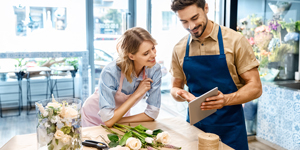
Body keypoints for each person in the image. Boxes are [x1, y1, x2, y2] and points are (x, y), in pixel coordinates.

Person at [169, 0, 262, 149]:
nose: (191, 27)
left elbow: (256, 87)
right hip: (195, 129)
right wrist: (180, 93)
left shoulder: (235, 41)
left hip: (231, 130)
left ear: (206, 8)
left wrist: (225, 99)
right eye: (184, 22)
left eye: (194, 18)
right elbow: (174, 87)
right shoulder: (179, 48)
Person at [82, 27, 162, 127]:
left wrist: (115, 120)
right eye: (146, 53)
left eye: (153, 48)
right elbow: (108, 119)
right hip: (92, 115)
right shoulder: (111, 72)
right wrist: (137, 94)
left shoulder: (154, 69)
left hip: (120, 116)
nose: (153, 54)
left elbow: (152, 113)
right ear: (131, 56)